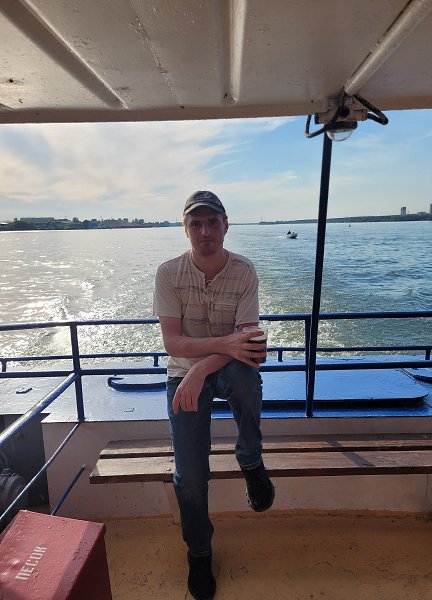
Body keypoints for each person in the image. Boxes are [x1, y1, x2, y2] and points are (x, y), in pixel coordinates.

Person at [153, 190, 275, 600]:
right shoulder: (168, 273)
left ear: (226, 226)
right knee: (189, 476)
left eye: (212, 222)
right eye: (196, 223)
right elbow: (173, 343)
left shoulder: (244, 271)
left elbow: (248, 342)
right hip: (182, 374)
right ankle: (200, 553)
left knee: (246, 375)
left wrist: (202, 367)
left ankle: (250, 459)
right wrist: (199, 365)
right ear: (186, 230)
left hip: (221, 369)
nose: (204, 231)